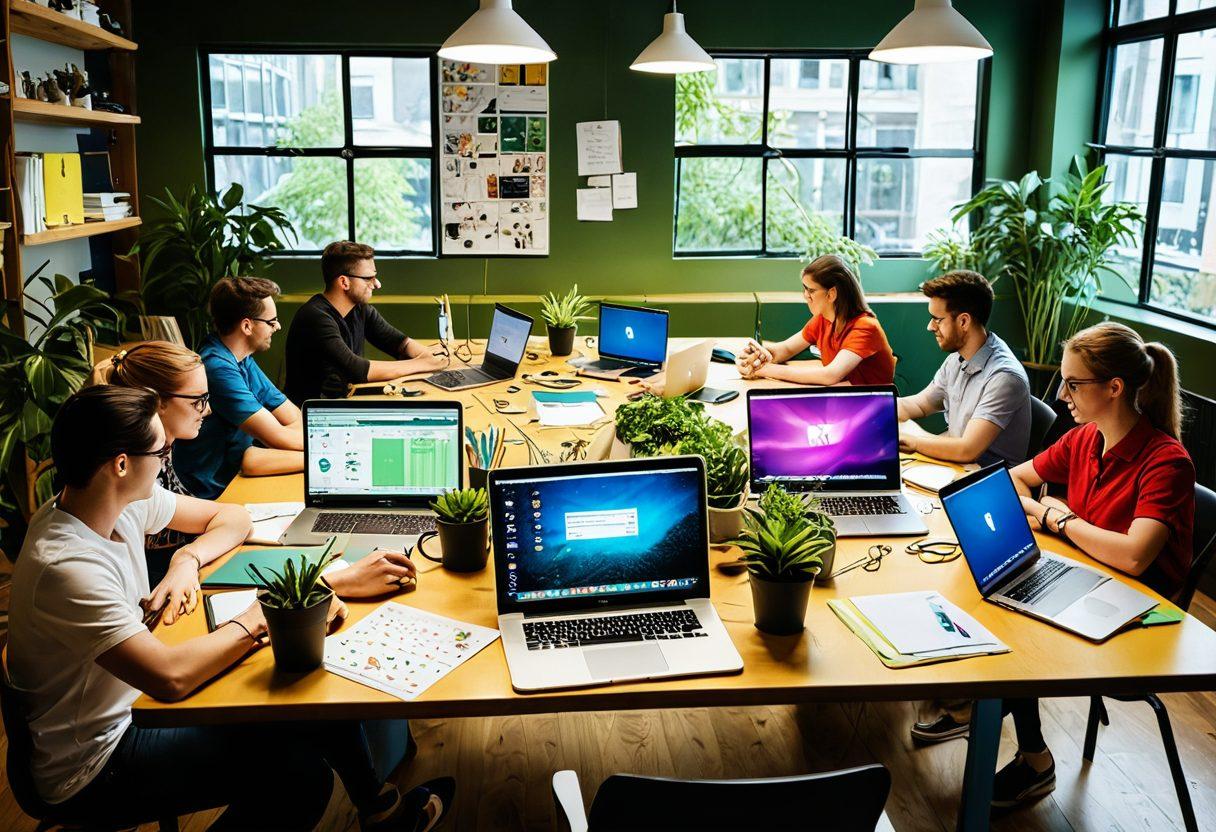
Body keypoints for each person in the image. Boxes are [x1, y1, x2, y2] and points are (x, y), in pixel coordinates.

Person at [7, 386, 454, 830]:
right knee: (301, 780)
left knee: (302, 683)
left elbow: (233, 517)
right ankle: (384, 814)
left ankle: (382, 813)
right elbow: (170, 677)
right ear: (120, 465)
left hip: (133, 702)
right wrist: (265, 614)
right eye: (161, 452)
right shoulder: (66, 565)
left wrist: (186, 559)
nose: (166, 461)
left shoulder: (110, 501)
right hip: (99, 760)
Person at [993, 322, 1194, 810]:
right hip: (1089, 579)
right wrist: (1048, 512)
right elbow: (1014, 479)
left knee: (1010, 643)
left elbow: (1134, 555)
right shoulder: (1085, 439)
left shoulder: (1167, 462)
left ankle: (1019, 747)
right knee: (1000, 607)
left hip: (1142, 616)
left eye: (1073, 384)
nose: (1061, 395)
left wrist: (1059, 519)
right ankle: (981, 711)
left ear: (1114, 388)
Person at [96, 341, 417, 602]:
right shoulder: (131, 486)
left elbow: (234, 517)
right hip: (163, 594)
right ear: (157, 404)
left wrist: (187, 557)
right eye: (198, 401)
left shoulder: (156, 467)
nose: (208, 410)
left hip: (187, 574)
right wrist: (328, 585)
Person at [899, 272, 1032, 743]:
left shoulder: (1004, 376)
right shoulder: (957, 361)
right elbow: (919, 404)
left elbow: (967, 448)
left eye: (937, 319)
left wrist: (911, 439)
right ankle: (938, 668)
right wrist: (867, 411)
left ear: (964, 320)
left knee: (915, 551)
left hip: (991, 507)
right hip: (953, 483)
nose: (930, 327)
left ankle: (964, 702)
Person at [174, 277, 304, 500]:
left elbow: (294, 418)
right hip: (211, 491)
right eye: (271, 321)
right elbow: (278, 438)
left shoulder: (241, 359)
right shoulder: (217, 367)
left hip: (239, 471)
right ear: (246, 326)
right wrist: (325, 454)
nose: (277, 327)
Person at [284, 241, 444, 403]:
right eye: (368, 278)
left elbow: (400, 343)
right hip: (311, 412)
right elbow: (357, 369)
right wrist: (423, 364)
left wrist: (433, 357)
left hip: (342, 403)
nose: (377, 284)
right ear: (344, 282)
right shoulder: (316, 317)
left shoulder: (360, 309)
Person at [736, 255, 896, 386]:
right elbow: (787, 349)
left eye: (811, 291)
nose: (805, 296)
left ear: (831, 294)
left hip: (872, 402)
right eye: (804, 289)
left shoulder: (865, 327)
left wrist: (763, 369)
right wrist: (756, 356)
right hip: (844, 396)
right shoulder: (823, 319)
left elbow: (830, 375)